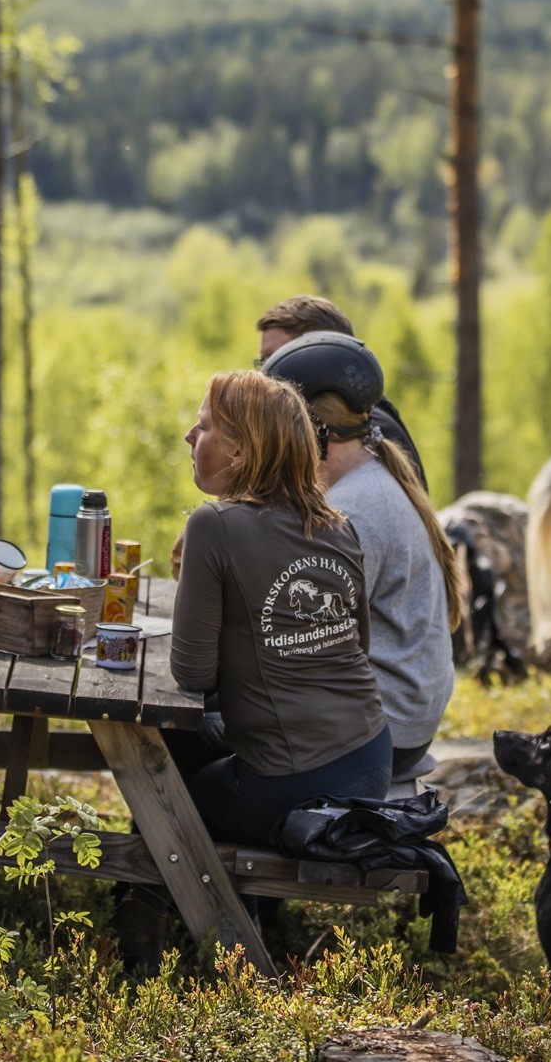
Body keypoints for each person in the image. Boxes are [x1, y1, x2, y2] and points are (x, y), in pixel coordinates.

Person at [171, 370, 392, 845]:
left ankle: (210, 912)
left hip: (300, 780)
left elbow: (192, 675)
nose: (190, 436)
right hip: (371, 759)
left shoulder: (213, 524)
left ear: (240, 450)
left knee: (174, 779)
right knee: (195, 738)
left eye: (204, 426)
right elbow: (357, 647)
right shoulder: (337, 525)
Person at [262, 333, 464, 775]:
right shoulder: (369, 475)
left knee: (200, 747)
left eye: (275, 432)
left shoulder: (352, 510)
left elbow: (303, 646)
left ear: (311, 433)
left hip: (384, 734)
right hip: (402, 720)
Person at [255, 295, 427, 490]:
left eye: (277, 357)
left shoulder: (360, 430)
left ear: (322, 352)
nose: (265, 374)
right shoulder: (361, 418)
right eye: (264, 361)